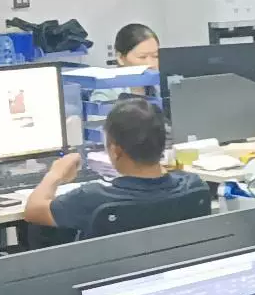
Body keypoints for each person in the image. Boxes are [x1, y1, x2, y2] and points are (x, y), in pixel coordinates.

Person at [23, 96, 203, 235]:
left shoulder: (93, 198)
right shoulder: (193, 185)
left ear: (116, 151)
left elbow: (33, 210)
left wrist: (55, 174)